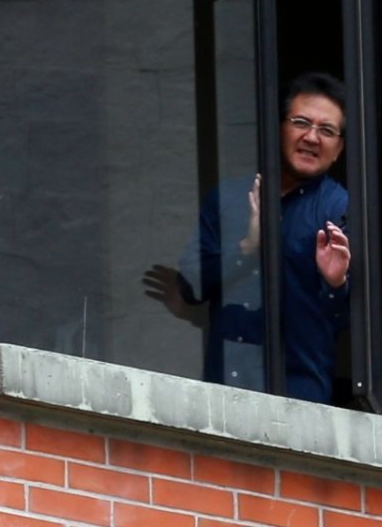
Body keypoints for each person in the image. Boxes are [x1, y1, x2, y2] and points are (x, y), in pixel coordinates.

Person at [147, 73, 350, 404]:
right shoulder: (229, 198)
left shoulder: (339, 209)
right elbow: (189, 288)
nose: (312, 137)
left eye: (326, 130)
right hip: (225, 389)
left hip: (301, 396)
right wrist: (246, 248)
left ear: (338, 148)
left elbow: (352, 321)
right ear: (279, 128)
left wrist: (336, 282)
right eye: (301, 122)